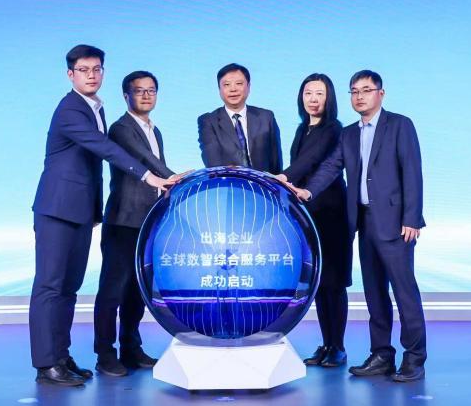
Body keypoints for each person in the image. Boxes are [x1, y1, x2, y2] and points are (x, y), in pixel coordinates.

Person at [29, 45, 178, 387]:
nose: (91, 75)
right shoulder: (71, 109)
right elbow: (104, 148)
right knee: (50, 287)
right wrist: (148, 176)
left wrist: (94, 209)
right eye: (84, 70)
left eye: (96, 69)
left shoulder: (94, 107)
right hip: (56, 209)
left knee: (68, 288)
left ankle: (61, 357)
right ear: (70, 74)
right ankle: (46, 364)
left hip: (79, 212)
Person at [301, 70, 427, 382]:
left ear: (380, 94)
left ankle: (414, 358)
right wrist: (307, 191)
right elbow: (331, 166)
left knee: (404, 292)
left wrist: (412, 218)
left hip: (396, 224)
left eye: (366, 90)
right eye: (354, 91)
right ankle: (381, 354)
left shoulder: (399, 125)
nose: (360, 96)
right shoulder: (349, 134)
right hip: (364, 222)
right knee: (374, 292)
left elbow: (412, 171)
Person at [92, 70, 176, 377]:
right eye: (139, 91)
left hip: (147, 221)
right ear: (126, 96)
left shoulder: (155, 130)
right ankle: (105, 354)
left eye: (151, 90)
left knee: (137, 290)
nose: (146, 95)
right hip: (123, 221)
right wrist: (173, 177)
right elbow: (145, 161)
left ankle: (131, 348)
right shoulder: (121, 128)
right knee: (112, 290)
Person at [277, 74, 351, 368]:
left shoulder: (334, 129)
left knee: (335, 282)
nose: (313, 99)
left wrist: (283, 177)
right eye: (308, 93)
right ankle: (326, 344)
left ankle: (339, 347)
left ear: (329, 98)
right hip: (309, 213)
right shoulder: (301, 129)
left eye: (319, 93)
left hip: (332, 211)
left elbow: (310, 161)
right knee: (319, 282)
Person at [196, 63, 282, 173]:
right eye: (227, 85)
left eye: (239, 83)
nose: (233, 89)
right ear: (219, 89)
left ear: (249, 87)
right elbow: (213, 162)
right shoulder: (208, 121)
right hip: (228, 182)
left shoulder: (266, 117)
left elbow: (275, 162)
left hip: (262, 183)